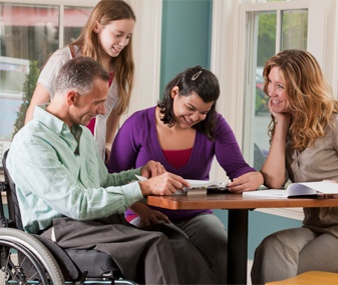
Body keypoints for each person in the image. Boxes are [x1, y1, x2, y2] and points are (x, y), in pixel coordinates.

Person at [6, 57, 219, 285]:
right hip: (59, 231)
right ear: (72, 97)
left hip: (95, 223)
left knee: (175, 238)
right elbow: (77, 205)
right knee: (154, 244)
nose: (102, 110)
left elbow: (103, 182)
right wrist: (143, 188)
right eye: (98, 102)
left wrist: (141, 173)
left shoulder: (83, 135)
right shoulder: (32, 141)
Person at [107, 65, 264, 283]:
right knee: (164, 259)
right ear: (174, 93)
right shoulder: (138, 124)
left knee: (223, 254)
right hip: (145, 214)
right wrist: (139, 208)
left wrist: (256, 177)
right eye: (190, 108)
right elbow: (112, 178)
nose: (195, 117)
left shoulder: (214, 124)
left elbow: (237, 168)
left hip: (196, 216)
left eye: (204, 111)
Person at [250, 49, 338, 284]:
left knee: (291, 270)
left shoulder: (335, 123)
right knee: (269, 248)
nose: (271, 92)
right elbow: (274, 181)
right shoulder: (290, 124)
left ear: (302, 87)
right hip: (317, 226)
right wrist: (282, 122)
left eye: (280, 86)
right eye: (270, 82)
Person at [25, 0, 135, 160]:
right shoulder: (64, 58)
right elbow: (34, 111)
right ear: (97, 27)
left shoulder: (121, 69)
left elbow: (115, 111)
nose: (123, 43)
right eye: (118, 35)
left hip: (92, 157)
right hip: (59, 151)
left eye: (128, 37)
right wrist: (32, 152)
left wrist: (108, 143)